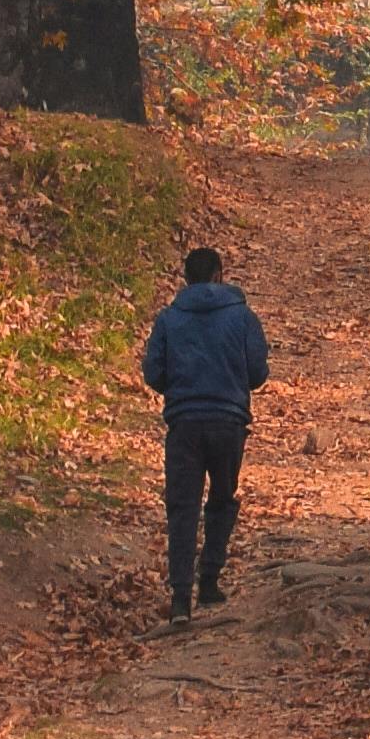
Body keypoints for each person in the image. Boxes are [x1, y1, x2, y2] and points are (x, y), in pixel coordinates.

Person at [138, 240, 269, 628]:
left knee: (183, 506)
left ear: (186, 279)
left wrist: (182, 391)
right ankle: (209, 579)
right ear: (219, 276)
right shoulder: (242, 317)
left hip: (184, 425)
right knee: (222, 498)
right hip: (229, 423)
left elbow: (153, 374)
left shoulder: (168, 319)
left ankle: (181, 598)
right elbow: (258, 373)